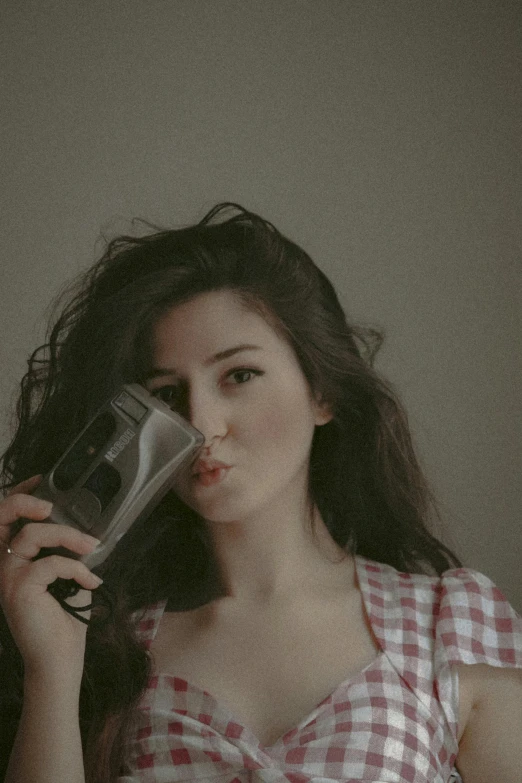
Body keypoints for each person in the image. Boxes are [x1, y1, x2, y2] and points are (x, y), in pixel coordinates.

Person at [0, 203, 520, 783]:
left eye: (238, 376)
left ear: (321, 391)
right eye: (167, 396)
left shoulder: (447, 624)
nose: (202, 423)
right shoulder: (111, 648)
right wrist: (51, 670)